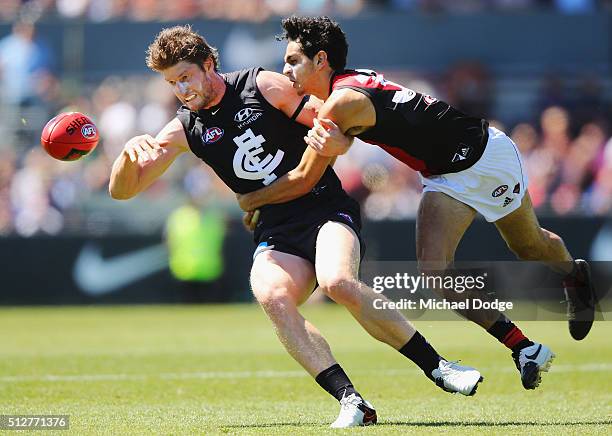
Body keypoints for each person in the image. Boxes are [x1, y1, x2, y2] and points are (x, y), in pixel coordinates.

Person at [108, 25, 483, 428]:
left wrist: (335, 145)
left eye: (185, 76)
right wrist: (128, 158)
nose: (181, 89)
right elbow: (122, 191)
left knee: (337, 280)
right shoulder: (184, 128)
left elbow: (334, 130)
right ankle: (352, 401)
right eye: (171, 82)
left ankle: (440, 366)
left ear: (208, 64)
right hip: (275, 228)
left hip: (323, 207)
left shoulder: (262, 85)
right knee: (270, 294)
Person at [236, 16, 597, 391]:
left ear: (321, 60)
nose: (286, 69)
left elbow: (305, 178)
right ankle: (523, 348)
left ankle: (574, 273)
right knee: (435, 272)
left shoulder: (340, 102)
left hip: (484, 158)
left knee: (528, 245)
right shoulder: (344, 89)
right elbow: (347, 135)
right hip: (443, 176)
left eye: (293, 60)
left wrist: (250, 200)